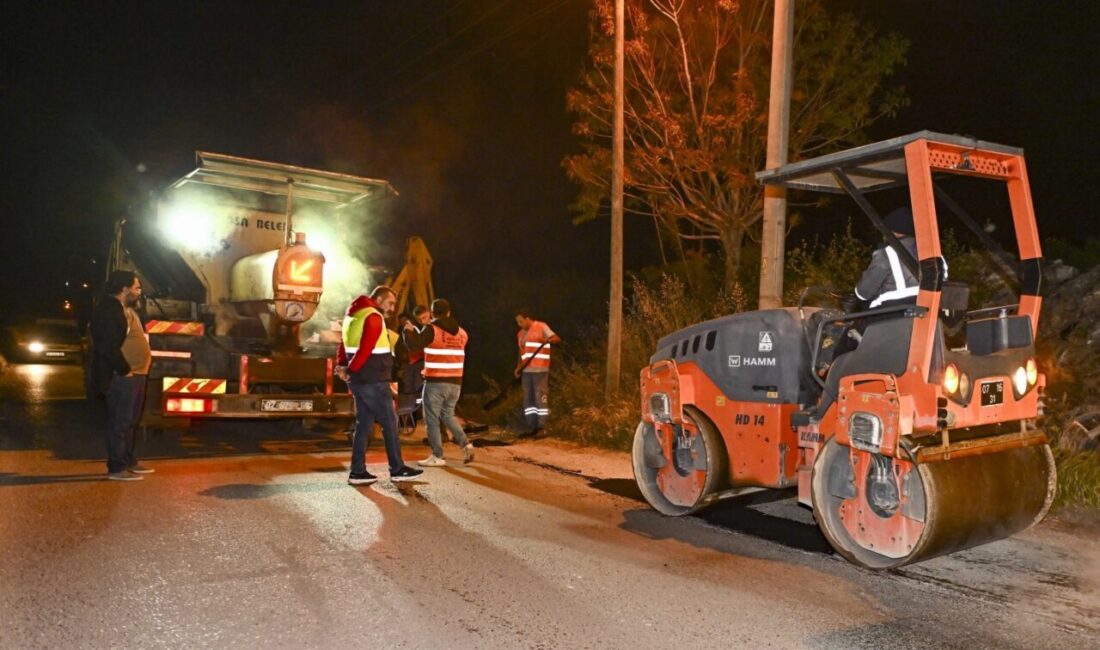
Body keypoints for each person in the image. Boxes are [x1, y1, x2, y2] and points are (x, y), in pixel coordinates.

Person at [336, 285, 423, 485]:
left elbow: (343, 343)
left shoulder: (353, 315)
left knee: (363, 425)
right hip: (373, 379)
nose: (392, 308)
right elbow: (366, 348)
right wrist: (350, 369)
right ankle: (397, 468)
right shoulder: (374, 317)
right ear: (380, 299)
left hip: (360, 380)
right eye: (391, 303)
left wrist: (344, 366)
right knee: (390, 423)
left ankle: (357, 472)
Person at [90, 270, 155, 481]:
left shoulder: (125, 309)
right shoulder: (108, 311)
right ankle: (116, 468)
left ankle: (127, 460)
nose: (139, 292)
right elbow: (107, 346)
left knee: (130, 421)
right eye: (137, 287)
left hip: (137, 375)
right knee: (120, 421)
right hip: (123, 376)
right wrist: (124, 370)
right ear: (124, 289)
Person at [404, 299, 475, 466]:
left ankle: (437, 455)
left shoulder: (431, 330)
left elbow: (413, 346)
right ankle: (466, 444)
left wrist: (407, 331)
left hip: (436, 383)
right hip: (456, 383)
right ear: (449, 312)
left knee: (432, 419)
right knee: (448, 415)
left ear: (433, 313)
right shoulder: (463, 333)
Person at [854, 207, 923, 309]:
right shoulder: (930, 251)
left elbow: (863, 293)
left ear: (894, 231)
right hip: (923, 310)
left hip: (889, 314)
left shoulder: (886, 254)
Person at [513, 309, 561, 437]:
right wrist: (518, 368)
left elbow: (556, 338)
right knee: (528, 399)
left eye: (521, 321)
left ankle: (542, 427)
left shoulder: (541, 326)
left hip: (540, 370)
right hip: (526, 371)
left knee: (541, 398)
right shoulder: (520, 334)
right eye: (518, 322)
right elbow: (521, 352)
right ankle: (532, 426)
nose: (519, 324)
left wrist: (547, 340)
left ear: (528, 318)